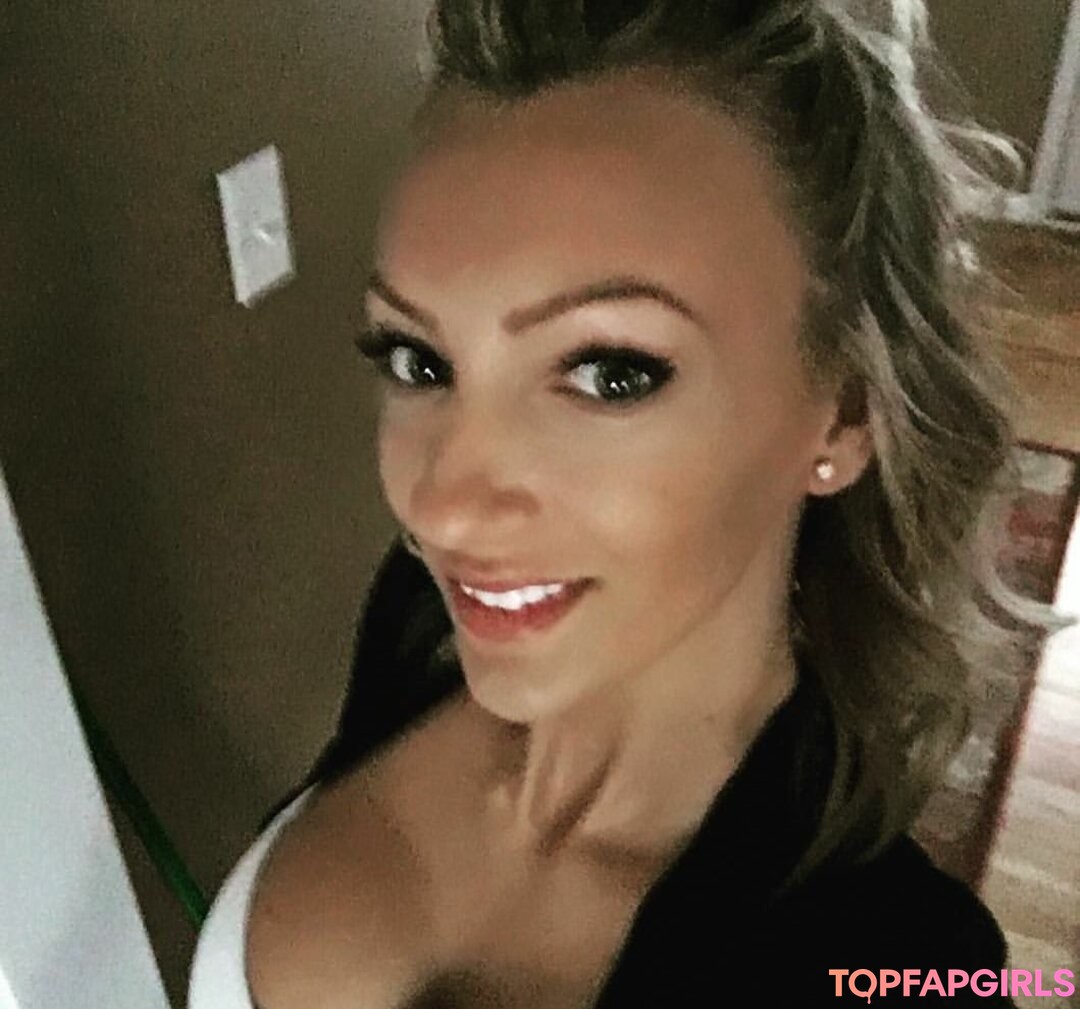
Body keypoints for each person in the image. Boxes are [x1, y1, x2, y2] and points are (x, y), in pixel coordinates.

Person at [188, 1, 1074, 1006]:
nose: (444, 512)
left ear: (845, 411)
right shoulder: (423, 624)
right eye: (418, 359)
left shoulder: (900, 964)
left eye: (610, 373)